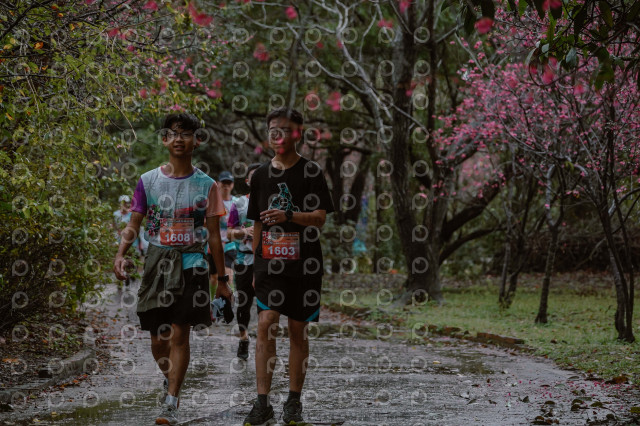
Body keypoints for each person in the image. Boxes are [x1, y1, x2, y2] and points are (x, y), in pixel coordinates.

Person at [113, 113, 232, 425]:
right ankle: (170, 378)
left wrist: (222, 279)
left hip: (193, 264)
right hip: (157, 264)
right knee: (159, 338)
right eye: (173, 133)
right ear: (165, 139)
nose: (180, 139)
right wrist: (120, 254)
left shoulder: (207, 185)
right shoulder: (148, 181)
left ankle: (172, 401)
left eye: (186, 133)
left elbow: (214, 237)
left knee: (181, 333)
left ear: (196, 140)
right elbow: (134, 223)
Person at [243, 108, 334, 426]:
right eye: (273, 130)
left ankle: (293, 403)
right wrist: (256, 267)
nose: (278, 135)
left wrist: (289, 216)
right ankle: (262, 403)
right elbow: (257, 223)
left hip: (305, 264)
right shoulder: (261, 176)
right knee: (266, 323)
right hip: (269, 264)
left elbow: (320, 219)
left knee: (298, 330)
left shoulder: (311, 172)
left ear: (298, 134)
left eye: (285, 129)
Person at [227, 163, 262, 360]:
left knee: (266, 305)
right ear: (247, 181)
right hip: (244, 261)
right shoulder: (239, 204)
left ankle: (264, 343)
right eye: (253, 176)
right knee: (244, 304)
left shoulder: (275, 203)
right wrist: (243, 232)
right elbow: (229, 233)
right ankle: (244, 337)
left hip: (266, 261)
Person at [207, 170, 237, 311]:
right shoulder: (211, 202)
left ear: (232, 185)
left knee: (228, 274)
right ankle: (214, 303)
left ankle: (228, 305)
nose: (226, 186)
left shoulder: (237, 203)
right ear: (218, 184)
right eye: (223, 183)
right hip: (213, 244)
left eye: (228, 183)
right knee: (214, 277)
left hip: (230, 244)